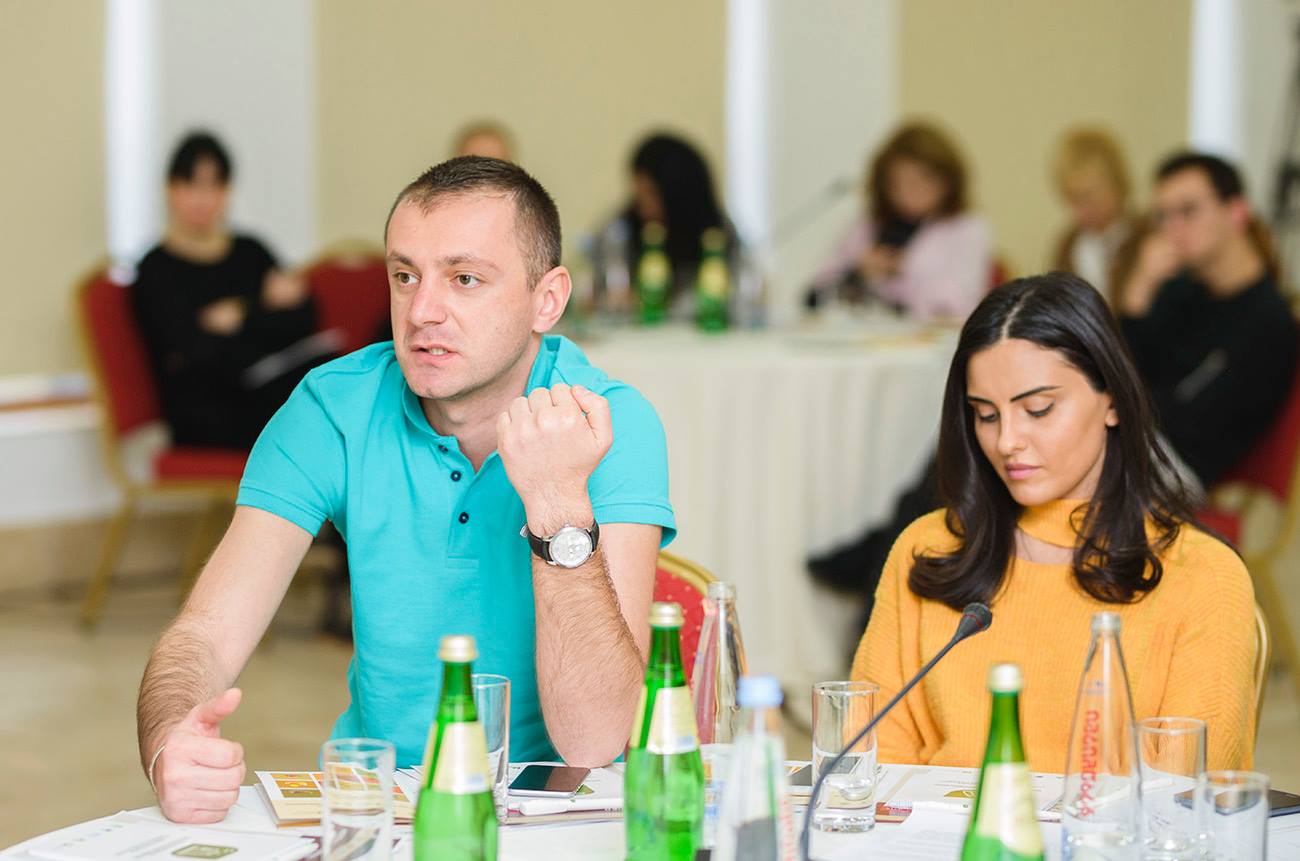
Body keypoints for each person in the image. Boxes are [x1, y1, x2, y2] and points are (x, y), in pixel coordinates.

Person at [136, 157, 676, 824]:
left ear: (548, 299)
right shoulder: (332, 407)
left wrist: (558, 502)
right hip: (375, 807)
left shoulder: (606, 422)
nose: (422, 312)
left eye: (465, 279)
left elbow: (593, 741)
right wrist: (170, 740)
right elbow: (206, 633)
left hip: (556, 813)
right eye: (405, 276)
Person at [853, 273, 1256, 773]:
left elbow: (1184, 797)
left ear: (1112, 400)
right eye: (986, 415)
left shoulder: (1203, 575)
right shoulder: (928, 547)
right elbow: (871, 760)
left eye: (1038, 410)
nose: (1007, 441)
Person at [132, 132, 334, 449]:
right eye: (192, 185)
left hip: (268, 387)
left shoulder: (250, 251)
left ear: (227, 192)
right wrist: (266, 310)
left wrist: (242, 314)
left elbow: (305, 317)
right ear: (171, 190)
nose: (202, 199)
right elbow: (194, 351)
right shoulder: (156, 268)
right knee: (311, 404)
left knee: (330, 375)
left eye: (214, 185)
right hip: (207, 409)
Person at [1117, 152, 1296, 489]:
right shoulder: (1179, 292)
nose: (1172, 229)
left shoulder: (1268, 322)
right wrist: (1138, 289)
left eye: (1188, 211)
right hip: (1134, 441)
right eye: (1164, 216)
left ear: (1236, 212)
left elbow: (1194, 427)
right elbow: (1120, 369)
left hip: (1173, 467)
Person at [806, 121, 992, 320]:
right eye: (897, 184)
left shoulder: (965, 228)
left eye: (919, 182)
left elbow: (959, 304)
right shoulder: (867, 226)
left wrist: (904, 273)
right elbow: (814, 296)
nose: (907, 193)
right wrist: (858, 274)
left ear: (947, 181)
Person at [591, 132, 737, 318]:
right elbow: (595, 287)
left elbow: (733, 296)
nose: (642, 205)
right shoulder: (620, 230)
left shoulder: (716, 234)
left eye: (650, 192)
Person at [1049, 127, 1136, 302]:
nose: (1080, 210)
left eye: (1087, 196)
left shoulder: (1144, 238)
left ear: (1117, 184)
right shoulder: (1069, 245)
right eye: (1072, 199)